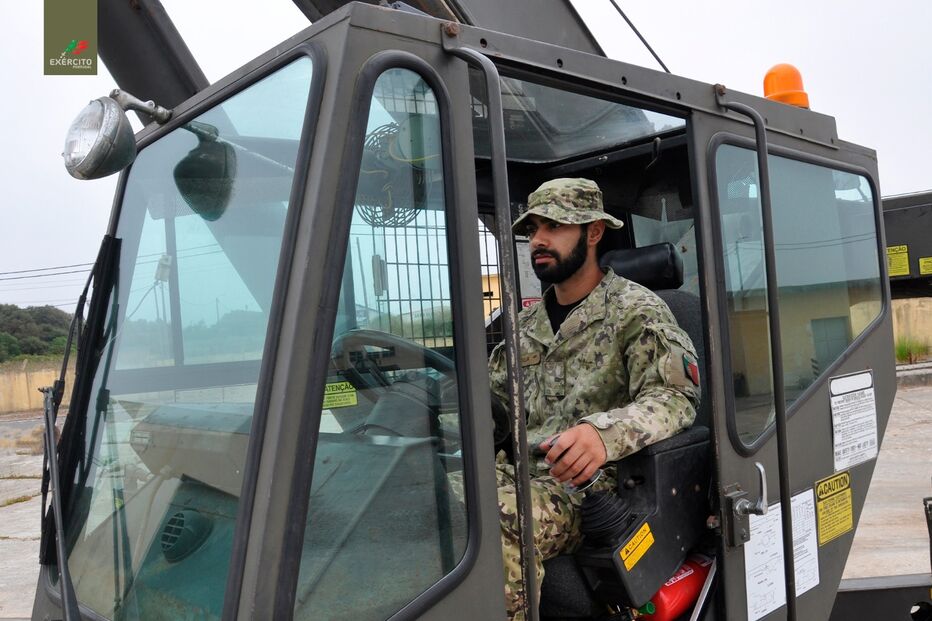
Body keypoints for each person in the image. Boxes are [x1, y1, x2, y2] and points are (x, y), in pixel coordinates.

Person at [487, 178, 701, 620]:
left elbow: (677, 397)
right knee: (431, 503)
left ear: (594, 231)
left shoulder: (634, 310)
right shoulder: (522, 326)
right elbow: (492, 409)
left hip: (590, 489)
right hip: (517, 473)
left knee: (498, 519)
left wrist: (603, 435)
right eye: (534, 229)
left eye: (554, 226)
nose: (539, 240)